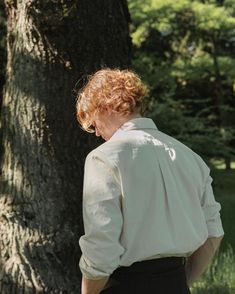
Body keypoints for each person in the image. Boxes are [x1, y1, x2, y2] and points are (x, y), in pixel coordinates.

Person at [76, 68, 224, 294]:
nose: (97, 133)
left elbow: (102, 247)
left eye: (94, 125)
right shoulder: (190, 157)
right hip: (177, 285)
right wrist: (183, 282)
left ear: (105, 107)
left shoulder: (104, 158)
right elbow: (213, 233)